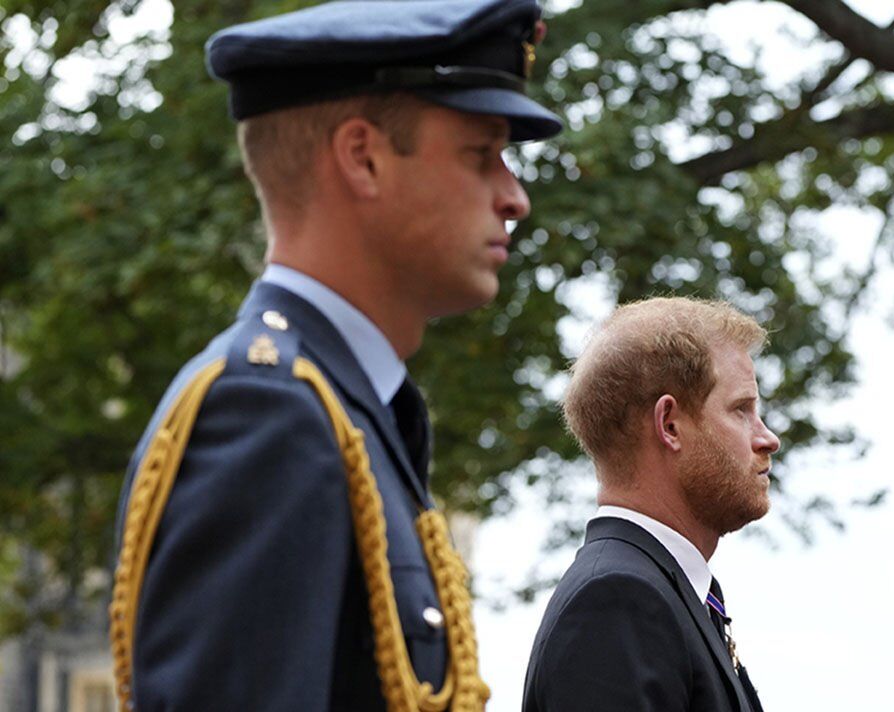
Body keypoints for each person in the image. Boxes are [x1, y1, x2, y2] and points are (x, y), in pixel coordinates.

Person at [107, 1, 561, 710]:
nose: (514, 197)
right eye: (481, 154)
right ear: (363, 157)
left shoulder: (346, 408)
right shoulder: (267, 414)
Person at [522, 297, 781, 712]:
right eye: (741, 410)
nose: (768, 438)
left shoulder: (658, 592)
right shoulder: (618, 601)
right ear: (670, 425)